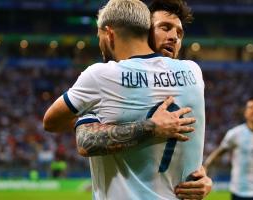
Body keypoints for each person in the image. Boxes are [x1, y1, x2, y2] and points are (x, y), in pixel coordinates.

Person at [43, 0, 206, 199]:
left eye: (179, 33)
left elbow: (55, 124)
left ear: (109, 34)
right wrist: (201, 176)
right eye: (165, 27)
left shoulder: (102, 77)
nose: (172, 37)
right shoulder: (194, 73)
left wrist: (148, 127)